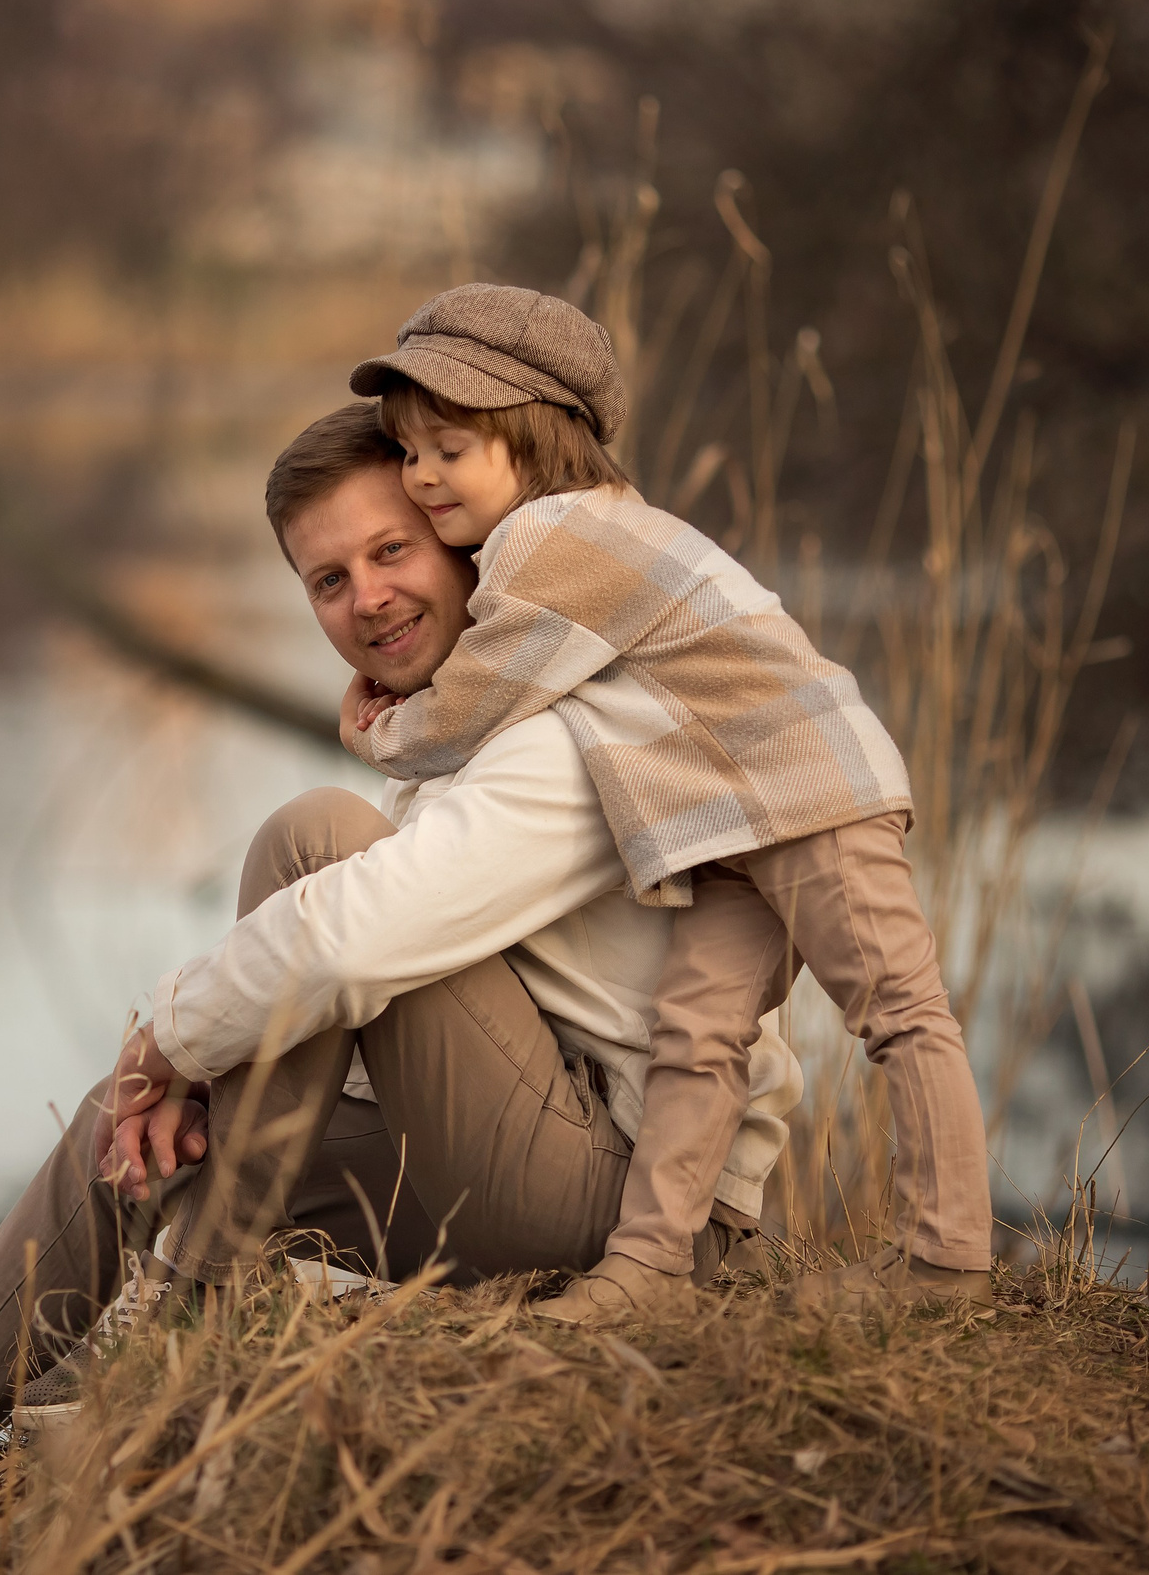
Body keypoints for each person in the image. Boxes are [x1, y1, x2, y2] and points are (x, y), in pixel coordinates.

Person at [0, 402, 800, 1573]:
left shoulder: (565, 725)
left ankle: (182, 1319)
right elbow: (386, 988)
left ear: (464, 542)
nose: (366, 599)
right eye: (326, 580)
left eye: (391, 553)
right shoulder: (463, 729)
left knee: (313, 844)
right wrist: (174, 1088)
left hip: (642, 1213)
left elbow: (347, 947)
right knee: (121, 1134)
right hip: (537, 1166)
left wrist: (173, 1046)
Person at [337, 282, 996, 1330]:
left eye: (447, 448)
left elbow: (470, 708)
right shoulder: (561, 538)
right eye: (407, 451)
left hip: (808, 791)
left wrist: (378, 727)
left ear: (534, 433)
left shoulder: (563, 540)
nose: (419, 478)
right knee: (694, 1035)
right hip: (726, 824)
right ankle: (647, 1269)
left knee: (897, 1010)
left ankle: (948, 1259)